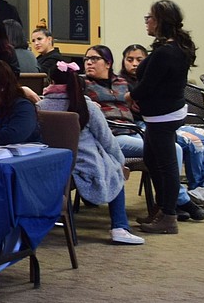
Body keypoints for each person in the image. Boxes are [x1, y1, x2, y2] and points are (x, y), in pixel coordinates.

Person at [92, 43, 204, 217]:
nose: (89, 63)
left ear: (108, 63)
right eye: (87, 59)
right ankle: (179, 201)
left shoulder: (121, 83)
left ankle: (200, 189)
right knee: (178, 145)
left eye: (95, 59)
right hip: (120, 132)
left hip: (141, 127)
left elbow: (139, 102)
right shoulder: (85, 84)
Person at [37, 60, 145, 245]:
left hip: (53, 166)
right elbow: (106, 138)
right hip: (87, 163)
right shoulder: (85, 105)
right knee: (114, 171)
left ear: (51, 81)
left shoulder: (40, 106)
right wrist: (119, 161)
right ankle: (119, 227)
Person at [129, 0, 197, 235]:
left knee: (165, 166)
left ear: (160, 21)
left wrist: (130, 95)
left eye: (150, 17)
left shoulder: (166, 53)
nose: (147, 21)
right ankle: (161, 208)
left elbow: (148, 85)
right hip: (166, 112)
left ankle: (169, 215)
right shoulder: (177, 46)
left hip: (163, 116)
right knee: (152, 159)